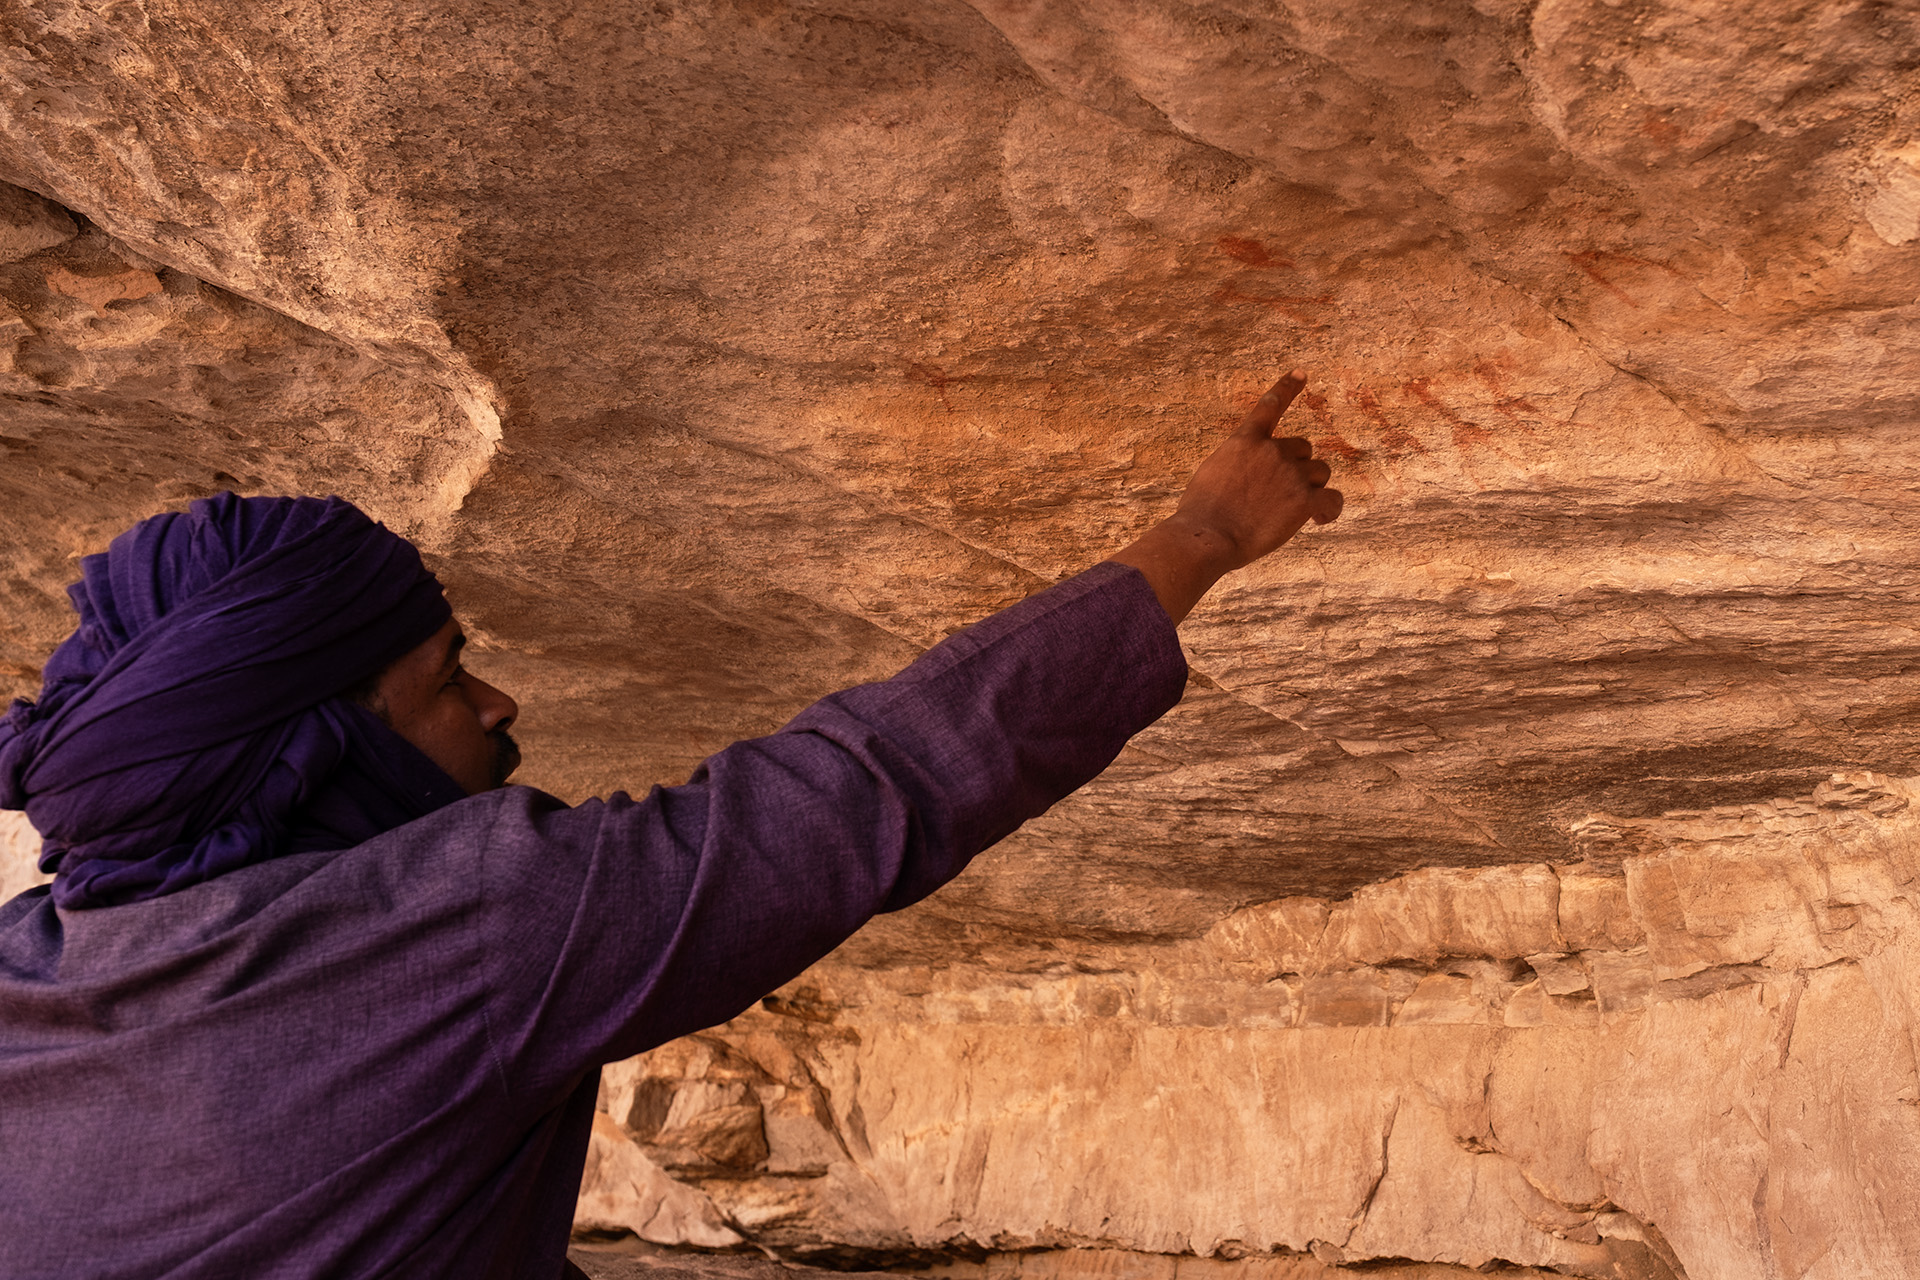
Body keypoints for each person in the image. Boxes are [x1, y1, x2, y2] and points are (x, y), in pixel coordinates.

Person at [0, 372, 1341, 1280]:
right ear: (326, 752)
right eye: (448, 678)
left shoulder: (27, 971)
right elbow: (863, 789)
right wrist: (1200, 536)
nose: (498, 700)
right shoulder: (458, 941)